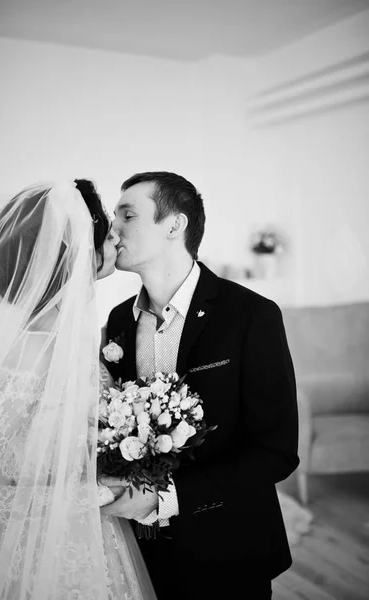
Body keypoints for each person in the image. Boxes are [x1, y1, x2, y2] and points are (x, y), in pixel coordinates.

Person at [100, 171, 299, 599]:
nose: (113, 229)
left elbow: (276, 451)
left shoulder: (250, 316)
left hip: (228, 550)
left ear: (175, 225)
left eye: (127, 215)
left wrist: (165, 498)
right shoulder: (118, 322)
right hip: (140, 556)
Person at [0, 179, 156, 599]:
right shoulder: (30, 350)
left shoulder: (78, 339)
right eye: (107, 232)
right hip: (35, 559)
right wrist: (97, 494)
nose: (115, 239)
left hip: (101, 543)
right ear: (77, 252)